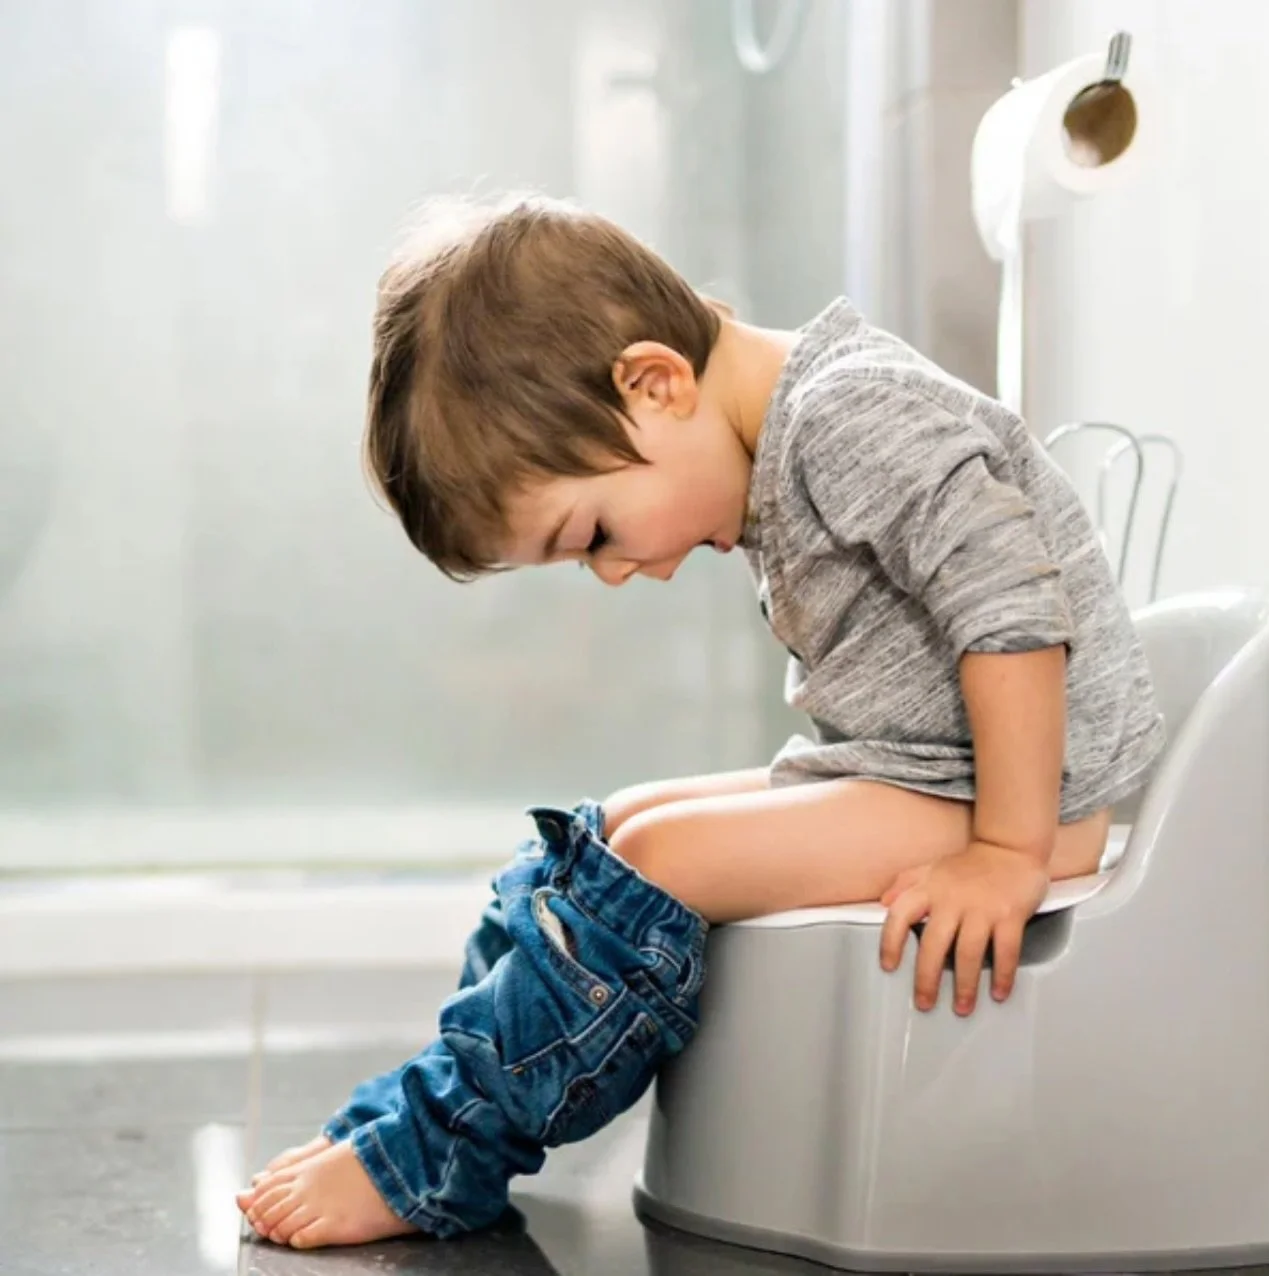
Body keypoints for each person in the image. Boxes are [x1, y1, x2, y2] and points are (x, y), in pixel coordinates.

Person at [236, 193, 1165, 1249]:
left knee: (656, 862)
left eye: (592, 533)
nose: (612, 572)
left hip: (1020, 799)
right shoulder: (800, 421)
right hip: (926, 772)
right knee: (608, 834)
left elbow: (1011, 605)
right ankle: (428, 1103)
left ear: (655, 383)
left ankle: (440, 1151)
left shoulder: (846, 413)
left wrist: (1007, 849)